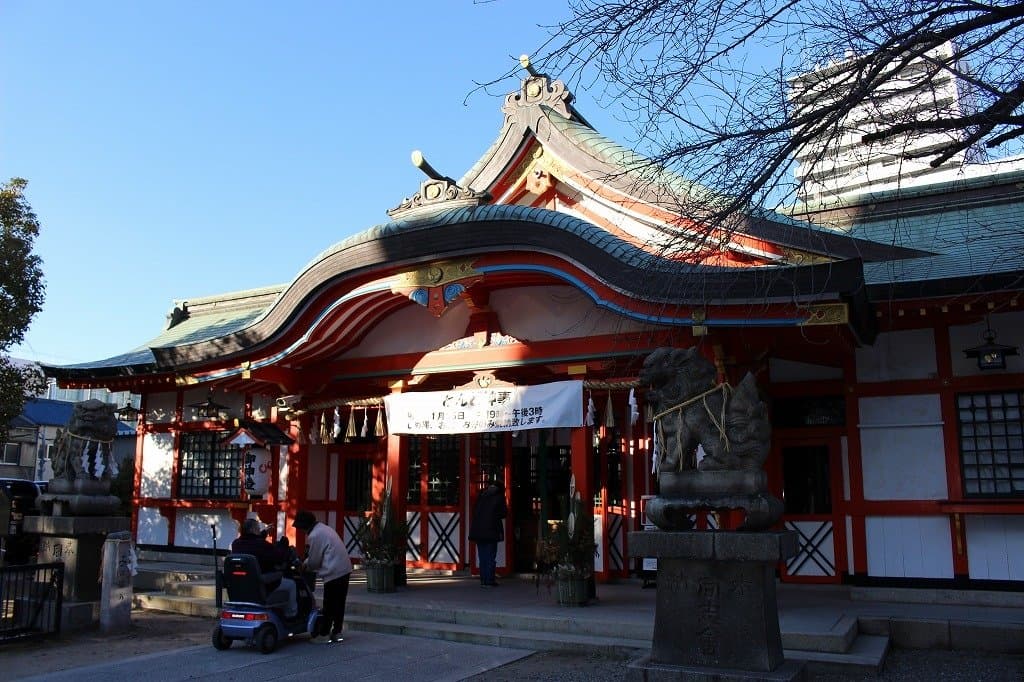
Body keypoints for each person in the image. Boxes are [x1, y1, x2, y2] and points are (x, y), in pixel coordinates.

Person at [292, 509, 352, 643]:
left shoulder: (315, 535)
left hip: (333, 571)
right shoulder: (324, 528)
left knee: (329, 603)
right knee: (339, 603)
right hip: (344, 568)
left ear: (304, 526)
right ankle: (337, 632)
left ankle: (324, 634)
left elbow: (314, 560)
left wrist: (304, 565)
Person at [231, 517, 298, 618]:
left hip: (242, 586)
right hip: (262, 586)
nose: (259, 530)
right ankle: (291, 615)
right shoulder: (262, 545)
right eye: (258, 529)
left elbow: (252, 542)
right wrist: (284, 543)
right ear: (253, 530)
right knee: (291, 584)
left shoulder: (236, 544)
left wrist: (264, 532)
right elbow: (279, 556)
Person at [468, 479, 506, 587]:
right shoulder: (499, 497)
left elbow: (474, 511)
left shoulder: (482, 495)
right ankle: (489, 580)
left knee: (483, 556)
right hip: (491, 530)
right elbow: (503, 513)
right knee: (490, 557)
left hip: (479, 530)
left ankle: (483, 580)